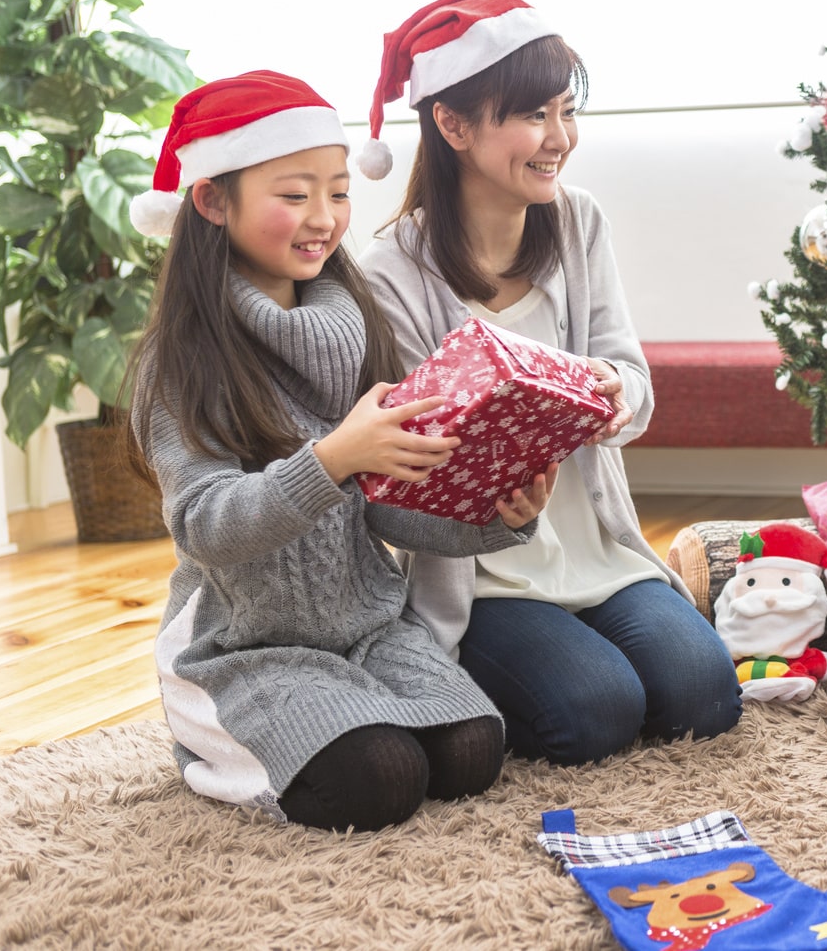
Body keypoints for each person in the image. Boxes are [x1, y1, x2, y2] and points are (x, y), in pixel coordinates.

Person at [126, 72, 551, 832]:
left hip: (367, 631)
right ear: (213, 202)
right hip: (242, 645)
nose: (323, 218)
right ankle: (207, 738)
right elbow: (205, 526)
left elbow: (389, 507)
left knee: (472, 750)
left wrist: (497, 517)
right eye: (293, 195)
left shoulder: (357, 325)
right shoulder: (183, 358)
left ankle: (345, 714)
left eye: (338, 192)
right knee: (378, 777)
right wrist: (330, 459)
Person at [357, 0, 743, 765]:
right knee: (596, 712)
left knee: (704, 694)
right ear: (453, 124)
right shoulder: (391, 269)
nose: (559, 138)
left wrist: (612, 392)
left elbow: (632, 375)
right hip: (486, 576)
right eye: (534, 115)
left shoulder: (578, 221)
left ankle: (580, 654)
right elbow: (401, 464)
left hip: (599, 549)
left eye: (568, 112)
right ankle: (462, 672)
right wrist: (497, 496)